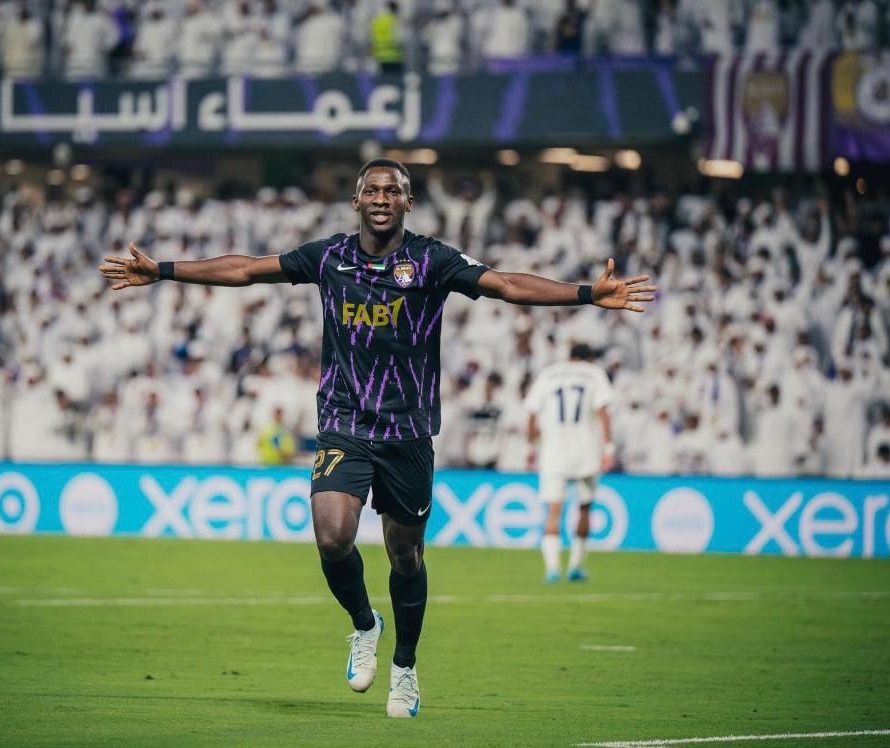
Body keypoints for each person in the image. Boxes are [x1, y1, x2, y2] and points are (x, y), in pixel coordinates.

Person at [99, 158, 655, 719]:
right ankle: (365, 624)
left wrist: (587, 294)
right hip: (345, 423)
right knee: (332, 538)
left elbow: (508, 285)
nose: (382, 198)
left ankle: (405, 667)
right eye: (372, 190)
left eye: (393, 190)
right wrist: (163, 270)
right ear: (357, 201)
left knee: (405, 556)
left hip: (408, 432)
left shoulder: (432, 260)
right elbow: (246, 269)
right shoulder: (328, 257)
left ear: (408, 202)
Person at [524, 343, 615, 583]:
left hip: (554, 452)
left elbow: (532, 412)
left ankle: (552, 569)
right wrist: (608, 448)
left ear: (569, 356)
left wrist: (530, 446)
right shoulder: (594, 374)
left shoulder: (549, 374)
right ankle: (575, 566)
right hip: (586, 452)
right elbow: (603, 411)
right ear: (589, 359)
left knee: (554, 510)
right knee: (585, 507)